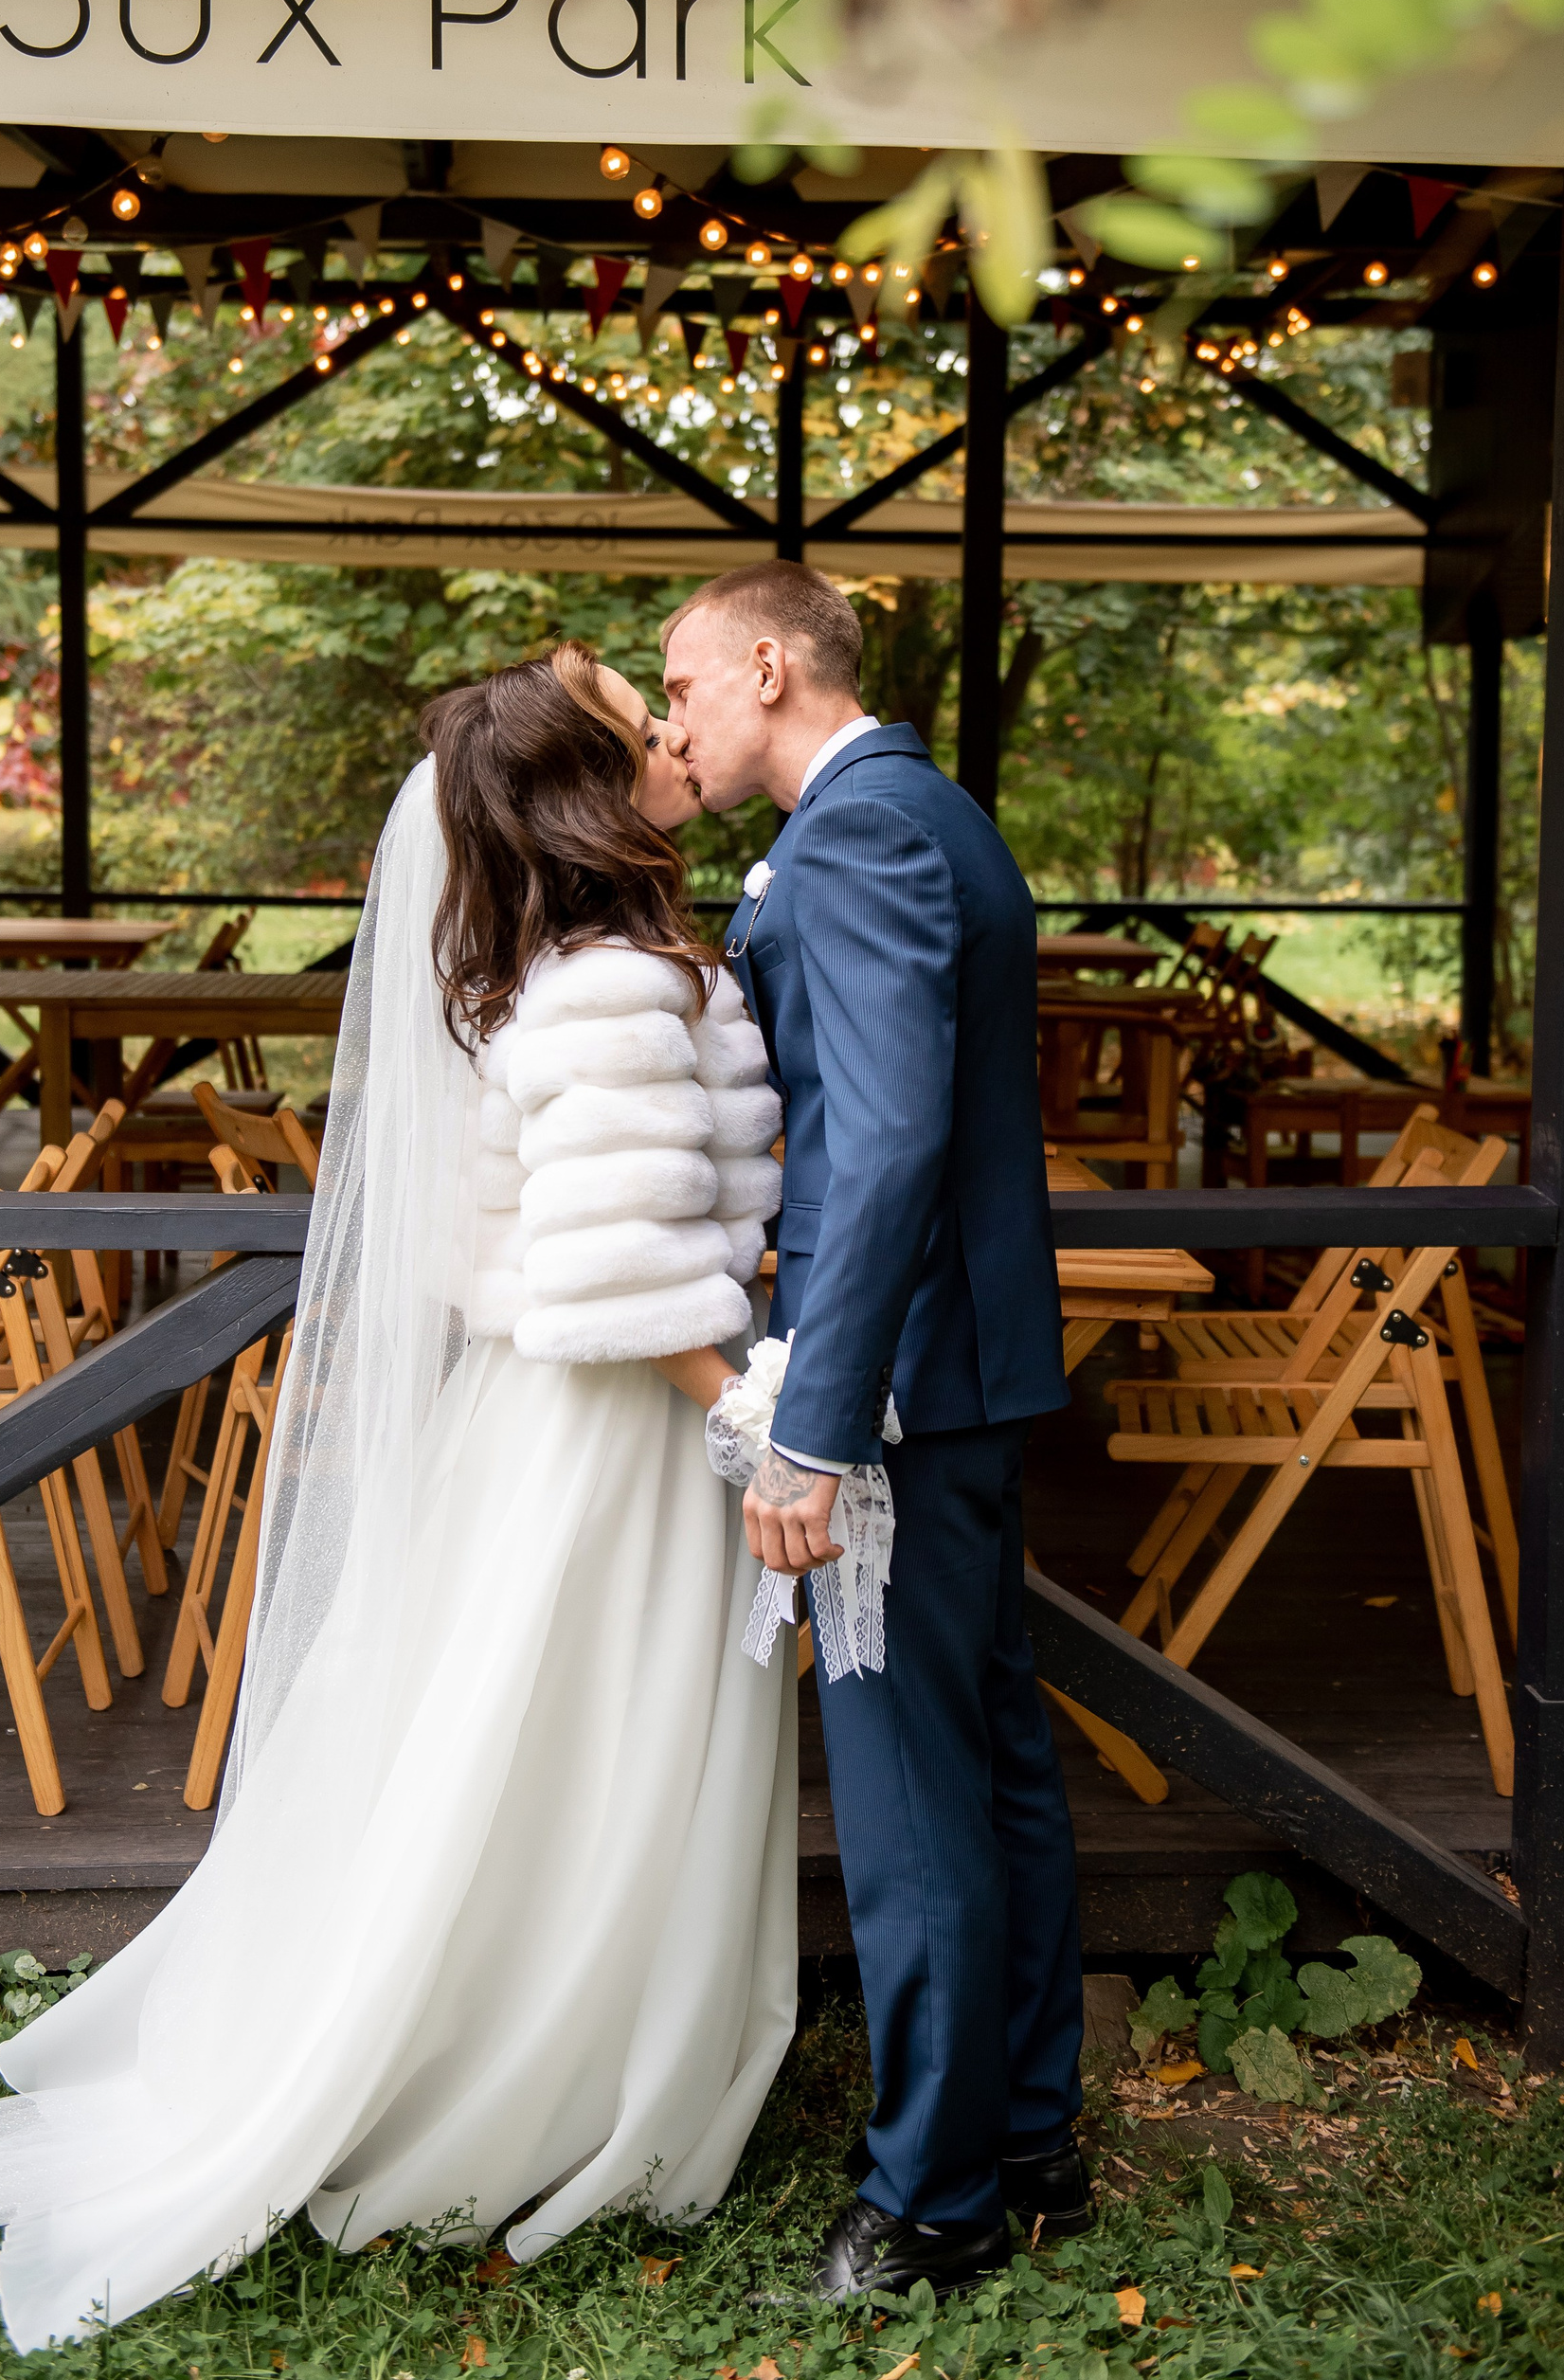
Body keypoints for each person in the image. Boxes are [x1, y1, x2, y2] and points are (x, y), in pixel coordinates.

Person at [0, 641, 795, 2354]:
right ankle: (539, 2069)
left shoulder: (557, 970)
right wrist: (763, 1415)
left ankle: (535, 2032)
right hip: (619, 1431)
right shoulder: (615, 986)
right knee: (591, 1747)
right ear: (589, 793)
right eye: (642, 726)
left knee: (528, 1752)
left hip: (560, 1422)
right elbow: (621, 1279)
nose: (669, 736)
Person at [661, 560, 1087, 2301]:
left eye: (682, 685)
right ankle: (1028, 2136)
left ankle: (932, 2205)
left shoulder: (854, 838)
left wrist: (816, 1430)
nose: (672, 723)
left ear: (771, 666)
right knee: (997, 1772)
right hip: (964, 1377)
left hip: (895, 1395)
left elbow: (892, 1144)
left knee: (914, 1808)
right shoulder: (925, 810)